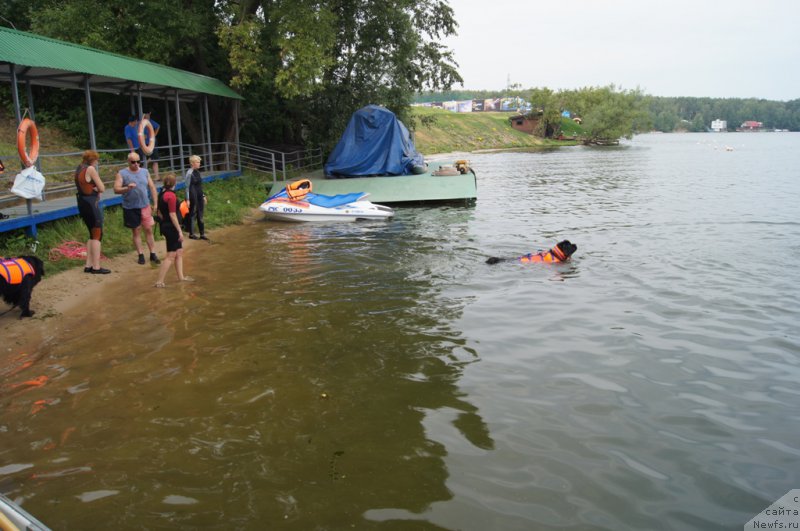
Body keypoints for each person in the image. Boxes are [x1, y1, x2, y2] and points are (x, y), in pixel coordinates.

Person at [114, 152, 161, 265]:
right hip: (130, 207)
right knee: (136, 231)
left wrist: (155, 203)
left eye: (138, 161)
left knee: (148, 229)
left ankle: (153, 253)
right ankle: (140, 254)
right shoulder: (122, 173)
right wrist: (127, 188)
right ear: (128, 162)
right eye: (133, 162)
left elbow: (152, 187)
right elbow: (116, 189)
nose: (136, 164)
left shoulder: (145, 171)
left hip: (144, 205)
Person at [154, 174, 194, 287]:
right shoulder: (171, 196)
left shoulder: (161, 194)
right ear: (174, 183)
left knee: (179, 252)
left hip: (166, 225)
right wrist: (179, 231)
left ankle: (181, 277)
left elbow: (160, 211)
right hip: (171, 227)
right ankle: (159, 281)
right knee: (171, 255)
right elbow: (172, 215)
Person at [74, 150, 110, 274]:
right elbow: (102, 187)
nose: (97, 162)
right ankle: (96, 266)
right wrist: (96, 188)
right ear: (92, 160)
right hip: (91, 203)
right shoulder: (90, 169)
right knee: (97, 234)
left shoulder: (79, 168)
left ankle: (88, 264)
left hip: (82, 202)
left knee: (91, 233)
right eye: (96, 160)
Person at [185, 154, 208, 240]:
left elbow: (199, 186)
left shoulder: (198, 172)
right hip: (192, 196)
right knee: (193, 214)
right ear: (192, 163)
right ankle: (191, 234)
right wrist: (187, 199)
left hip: (199, 195)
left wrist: (203, 195)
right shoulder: (189, 173)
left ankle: (202, 234)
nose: (199, 164)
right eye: (198, 162)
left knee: (200, 214)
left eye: (199, 162)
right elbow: (187, 187)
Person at [141, 110, 160, 180]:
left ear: (150, 113)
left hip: (152, 142)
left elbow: (158, 126)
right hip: (145, 142)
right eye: (145, 114)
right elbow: (139, 129)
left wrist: (154, 135)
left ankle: (156, 176)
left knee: (155, 158)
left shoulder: (151, 121)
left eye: (147, 114)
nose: (146, 115)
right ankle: (144, 167)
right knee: (148, 157)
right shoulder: (141, 122)